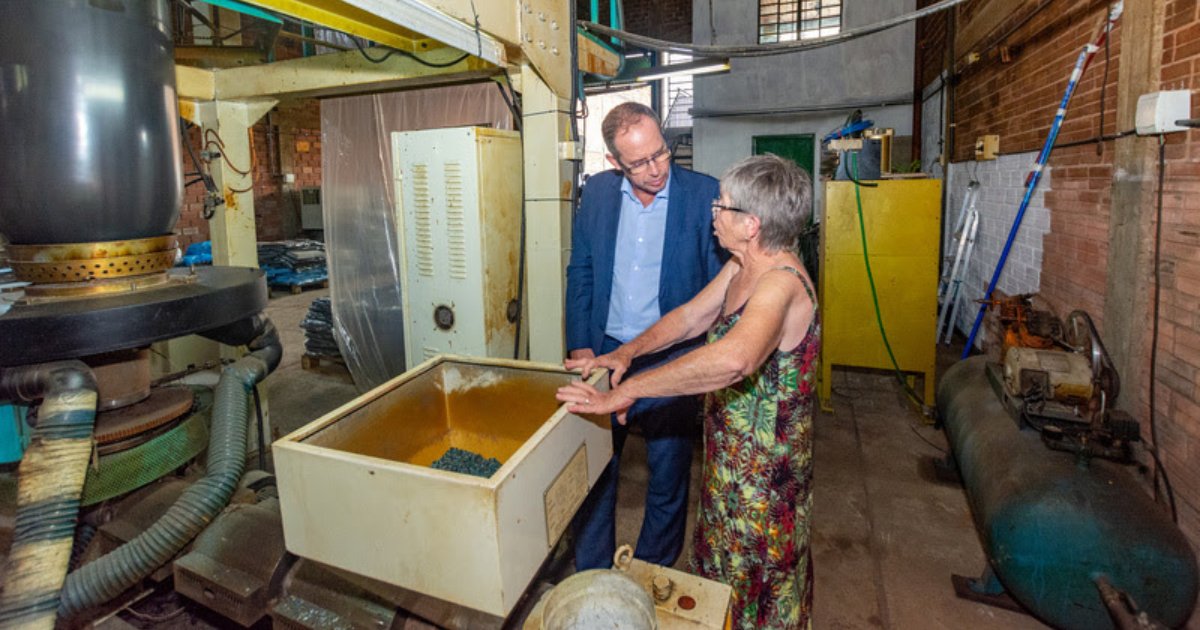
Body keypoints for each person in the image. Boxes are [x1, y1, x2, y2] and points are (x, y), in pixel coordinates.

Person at [558, 154, 820, 629]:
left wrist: (628, 391)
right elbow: (689, 318)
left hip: (765, 477)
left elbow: (733, 359)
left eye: (721, 206)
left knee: (755, 582)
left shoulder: (780, 283)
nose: (712, 213)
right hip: (730, 463)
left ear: (751, 224)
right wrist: (627, 353)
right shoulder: (742, 265)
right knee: (720, 576)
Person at [565, 102, 725, 571]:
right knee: (596, 470)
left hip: (672, 356)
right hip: (604, 352)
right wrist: (581, 344)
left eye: (661, 154)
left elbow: (719, 292)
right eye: (639, 163)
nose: (656, 170)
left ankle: (652, 569)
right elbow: (582, 270)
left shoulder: (705, 195)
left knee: (669, 472)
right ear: (614, 162)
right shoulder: (597, 193)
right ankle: (593, 572)